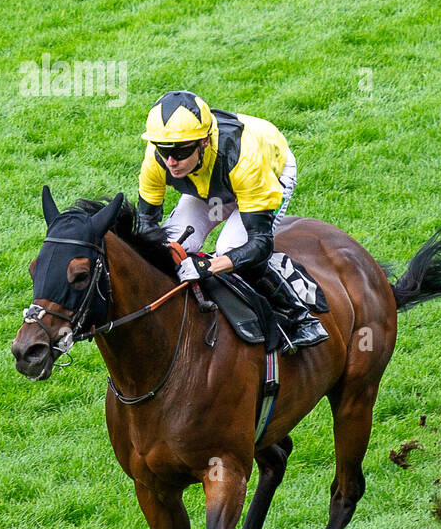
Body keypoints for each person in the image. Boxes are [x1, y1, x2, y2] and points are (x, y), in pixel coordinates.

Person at [136, 90, 327, 351]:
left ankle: (299, 318)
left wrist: (209, 267)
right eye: (163, 150)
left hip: (266, 172)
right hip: (209, 185)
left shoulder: (243, 159)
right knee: (174, 247)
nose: (170, 161)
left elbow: (259, 243)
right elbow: (146, 225)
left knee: (230, 251)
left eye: (180, 152)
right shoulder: (157, 158)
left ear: (203, 142)